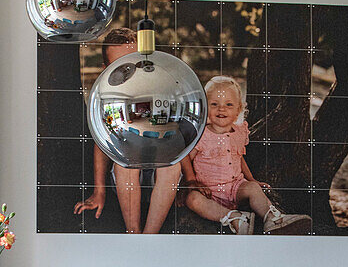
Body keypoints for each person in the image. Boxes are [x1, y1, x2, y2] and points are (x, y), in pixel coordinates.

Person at [74, 28, 181, 234]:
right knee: (125, 165)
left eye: (132, 63)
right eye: (118, 66)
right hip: (128, 178)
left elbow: (177, 137)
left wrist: (191, 179)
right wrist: (99, 192)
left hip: (163, 177)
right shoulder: (106, 97)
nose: (127, 71)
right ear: (106, 68)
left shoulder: (158, 90)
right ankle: (133, 233)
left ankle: (149, 236)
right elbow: (101, 141)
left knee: (172, 166)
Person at [182, 75, 312, 235]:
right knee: (192, 200)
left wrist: (252, 180)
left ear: (238, 110)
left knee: (252, 188)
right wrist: (191, 181)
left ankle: (272, 220)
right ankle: (235, 218)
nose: (221, 109)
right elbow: (186, 157)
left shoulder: (239, 132)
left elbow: (239, 158)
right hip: (209, 191)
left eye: (229, 104)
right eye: (214, 104)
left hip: (236, 188)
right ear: (206, 108)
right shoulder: (202, 134)